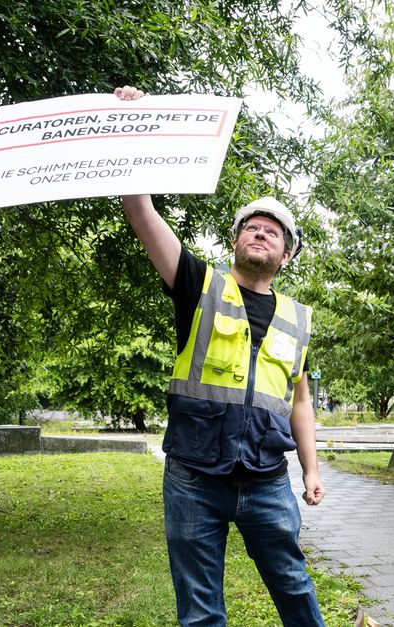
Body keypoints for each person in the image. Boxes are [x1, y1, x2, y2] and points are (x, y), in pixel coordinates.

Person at [116, 85, 325, 626]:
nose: (261, 234)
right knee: (201, 609)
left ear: (286, 254)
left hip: (266, 477)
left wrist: (310, 469)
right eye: (252, 227)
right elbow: (140, 209)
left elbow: (300, 401)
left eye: (273, 232)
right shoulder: (197, 284)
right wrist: (131, 126)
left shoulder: (297, 318)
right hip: (194, 474)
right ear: (235, 242)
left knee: (294, 586)